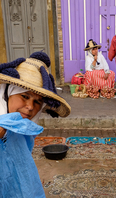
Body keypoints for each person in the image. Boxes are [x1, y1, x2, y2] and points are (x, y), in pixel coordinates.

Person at [0, 52, 71, 197]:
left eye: (37, 102)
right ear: (7, 94)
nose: (30, 107)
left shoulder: (19, 128)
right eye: (24, 96)